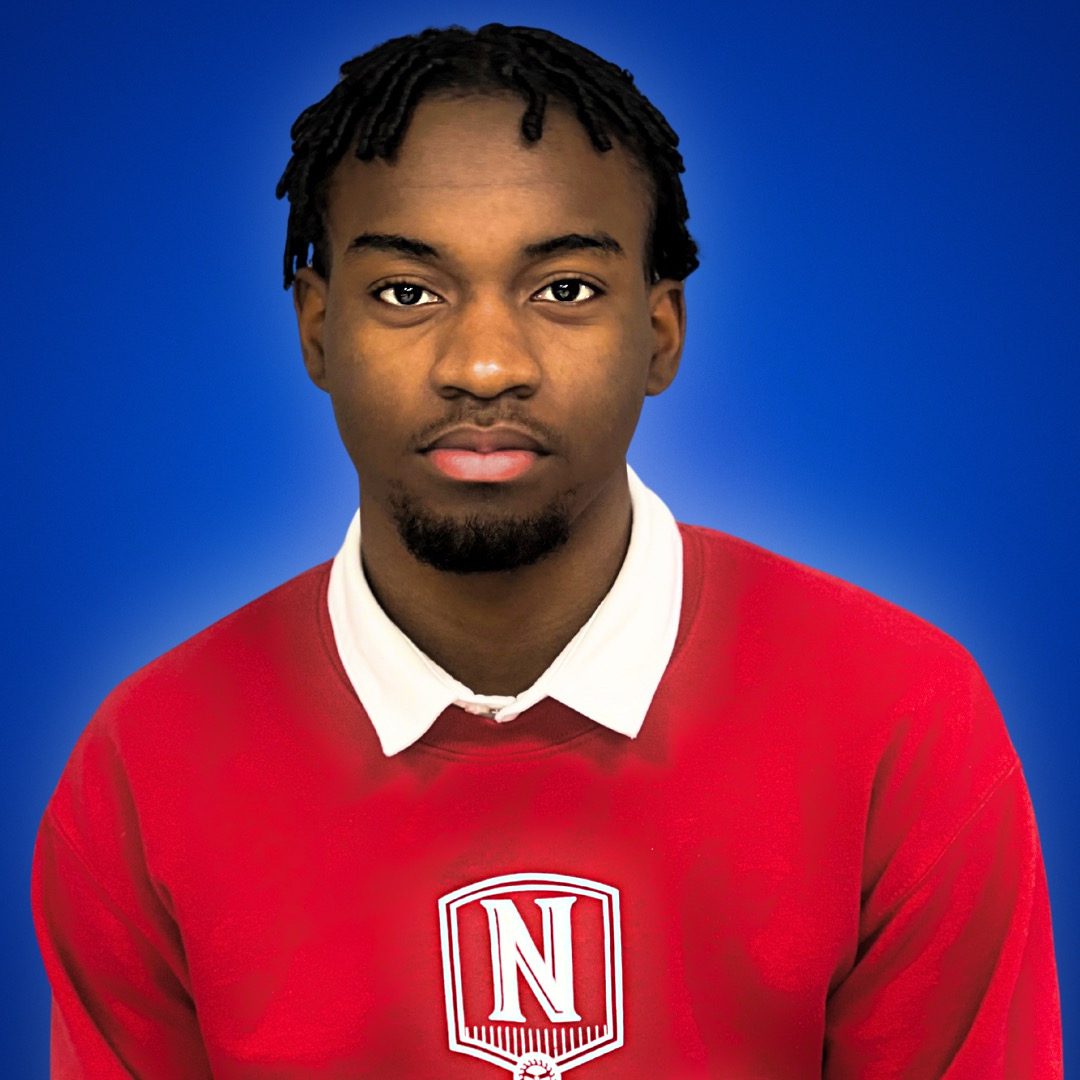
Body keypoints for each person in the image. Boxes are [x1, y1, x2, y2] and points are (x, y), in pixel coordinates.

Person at [31, 23, 1062, 1079]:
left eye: (564, 288)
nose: (485, 365)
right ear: (316, 330)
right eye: (407, 292)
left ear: (659, 333)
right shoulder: (145, 765)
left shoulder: (899, 717)